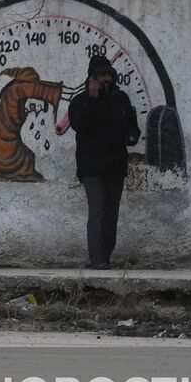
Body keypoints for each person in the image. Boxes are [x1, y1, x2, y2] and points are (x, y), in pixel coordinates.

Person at [66, 55, 140, 269]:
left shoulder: (121, 99)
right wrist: (92, 99)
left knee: (111, 213)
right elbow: (79, 125)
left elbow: (132, 125)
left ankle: (105, 257)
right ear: (92, 78)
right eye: (100, 75)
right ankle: (97, 260)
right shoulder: (80, 101)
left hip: (115, 165)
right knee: (98, 210)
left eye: (108, 74)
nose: (106, 78)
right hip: (91, 167)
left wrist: (132, 136)